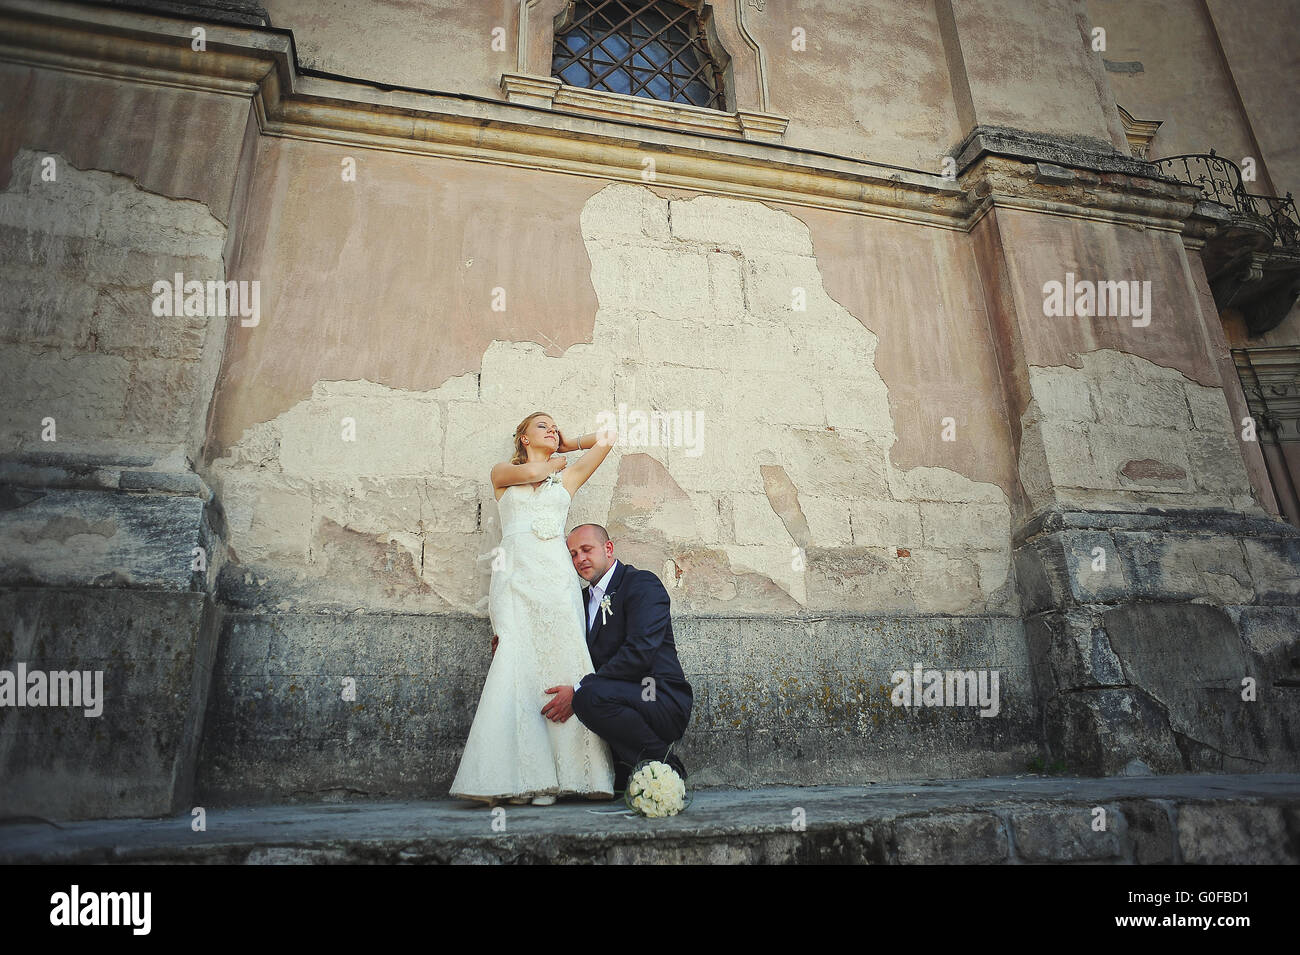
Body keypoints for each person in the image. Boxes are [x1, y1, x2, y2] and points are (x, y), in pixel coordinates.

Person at [449, 412, 616, 806]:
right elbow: (531, 474)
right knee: (515, 660)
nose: (551, 429)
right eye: (543, 426)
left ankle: (568, 777)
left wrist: (569, 443)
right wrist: (554, 460)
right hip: (515, 578)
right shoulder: (502, 473)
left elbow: (608, 438)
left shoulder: (566, 478)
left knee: (561, 659)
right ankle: (521, 778)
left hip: (556, 581)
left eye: (555, 426)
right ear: (523, 437)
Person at [541, 524, 692, 793]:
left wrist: (579, 689)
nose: (580, 559)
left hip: (656, 694)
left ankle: (666, 766)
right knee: (582, 696)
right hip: (616, 696)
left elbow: (640, 652)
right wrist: (510, 643)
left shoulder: (642, 584)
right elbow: (558, 640)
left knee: (588, 697)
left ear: (608, 548)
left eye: (586, 549)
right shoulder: (579, 600)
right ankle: (622, 768)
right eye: (573, 554)